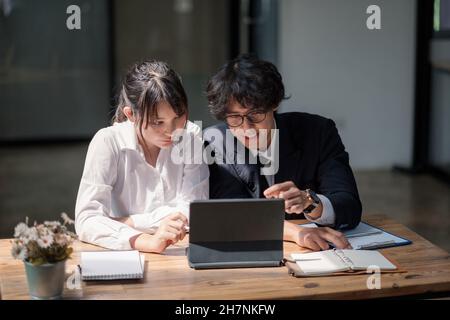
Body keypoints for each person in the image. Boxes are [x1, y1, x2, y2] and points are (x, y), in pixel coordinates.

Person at [204, 54, 362, 251]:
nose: (247, 128)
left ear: (275, 103)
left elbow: (350, 207)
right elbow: (231, 215)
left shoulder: (318, 132)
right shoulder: (213, 142)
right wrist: (296, 233)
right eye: (234, 118)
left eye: (255, 115)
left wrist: (310, 202)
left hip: (317, 253)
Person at [75, 60, 209, 253]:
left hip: (179, 254)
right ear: (131, 115)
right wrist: (146, 241)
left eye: (178, 117)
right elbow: (87, 220)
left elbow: (195, 212)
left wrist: (124, 222)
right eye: (158, 122)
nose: (171, 131)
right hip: (122, 257)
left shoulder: (190, 137)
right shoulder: (108, 142)